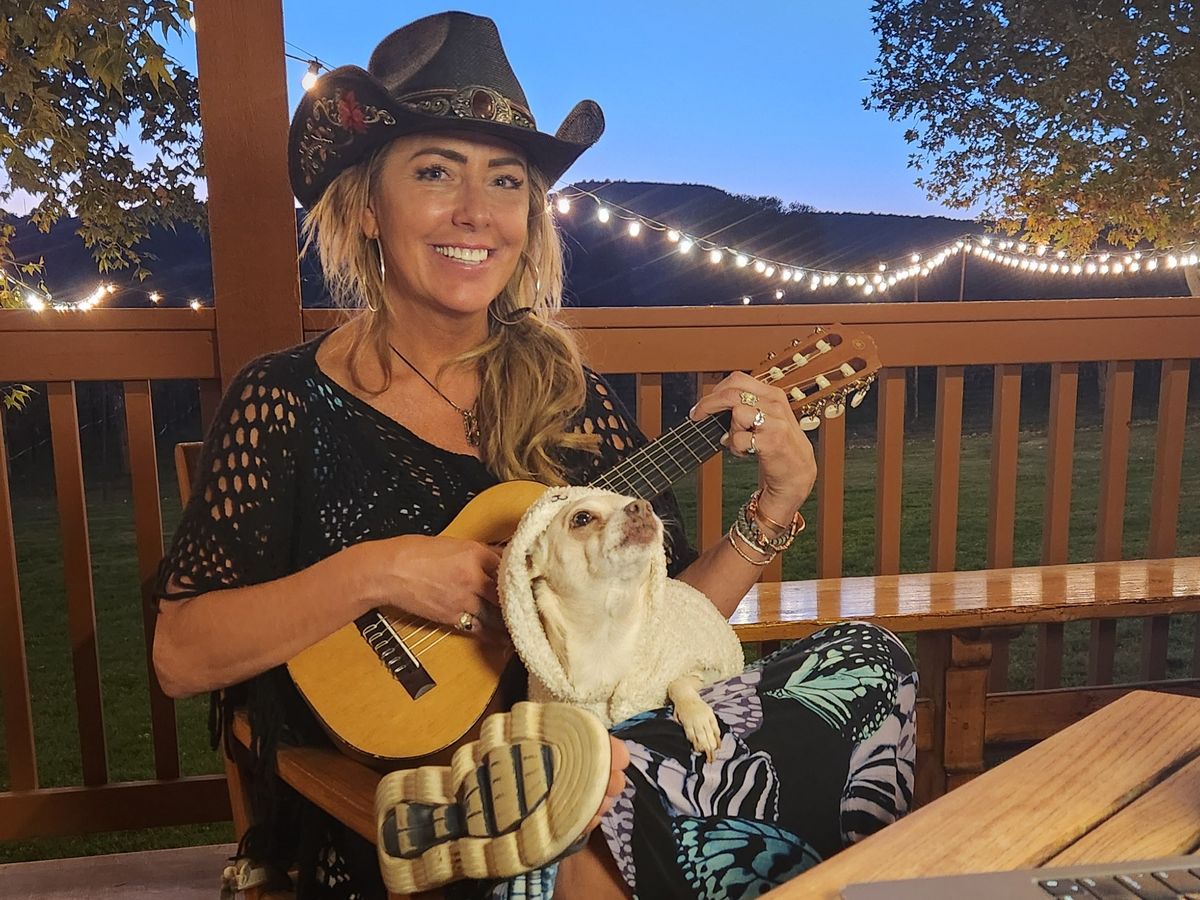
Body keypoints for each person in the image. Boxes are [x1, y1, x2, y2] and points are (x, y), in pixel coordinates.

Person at [152, 11, 916, 900]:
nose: (476, 212)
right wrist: (379, 571)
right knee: (608, 800)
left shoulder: (571, 396)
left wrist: (773, 506)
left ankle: (606, 797)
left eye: (506, 181)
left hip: (609, 752)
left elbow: (656, 627)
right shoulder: (284, 398)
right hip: (416, 812)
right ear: (366, 206)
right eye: (435, 171)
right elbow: (180, 655)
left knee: (871, 662)